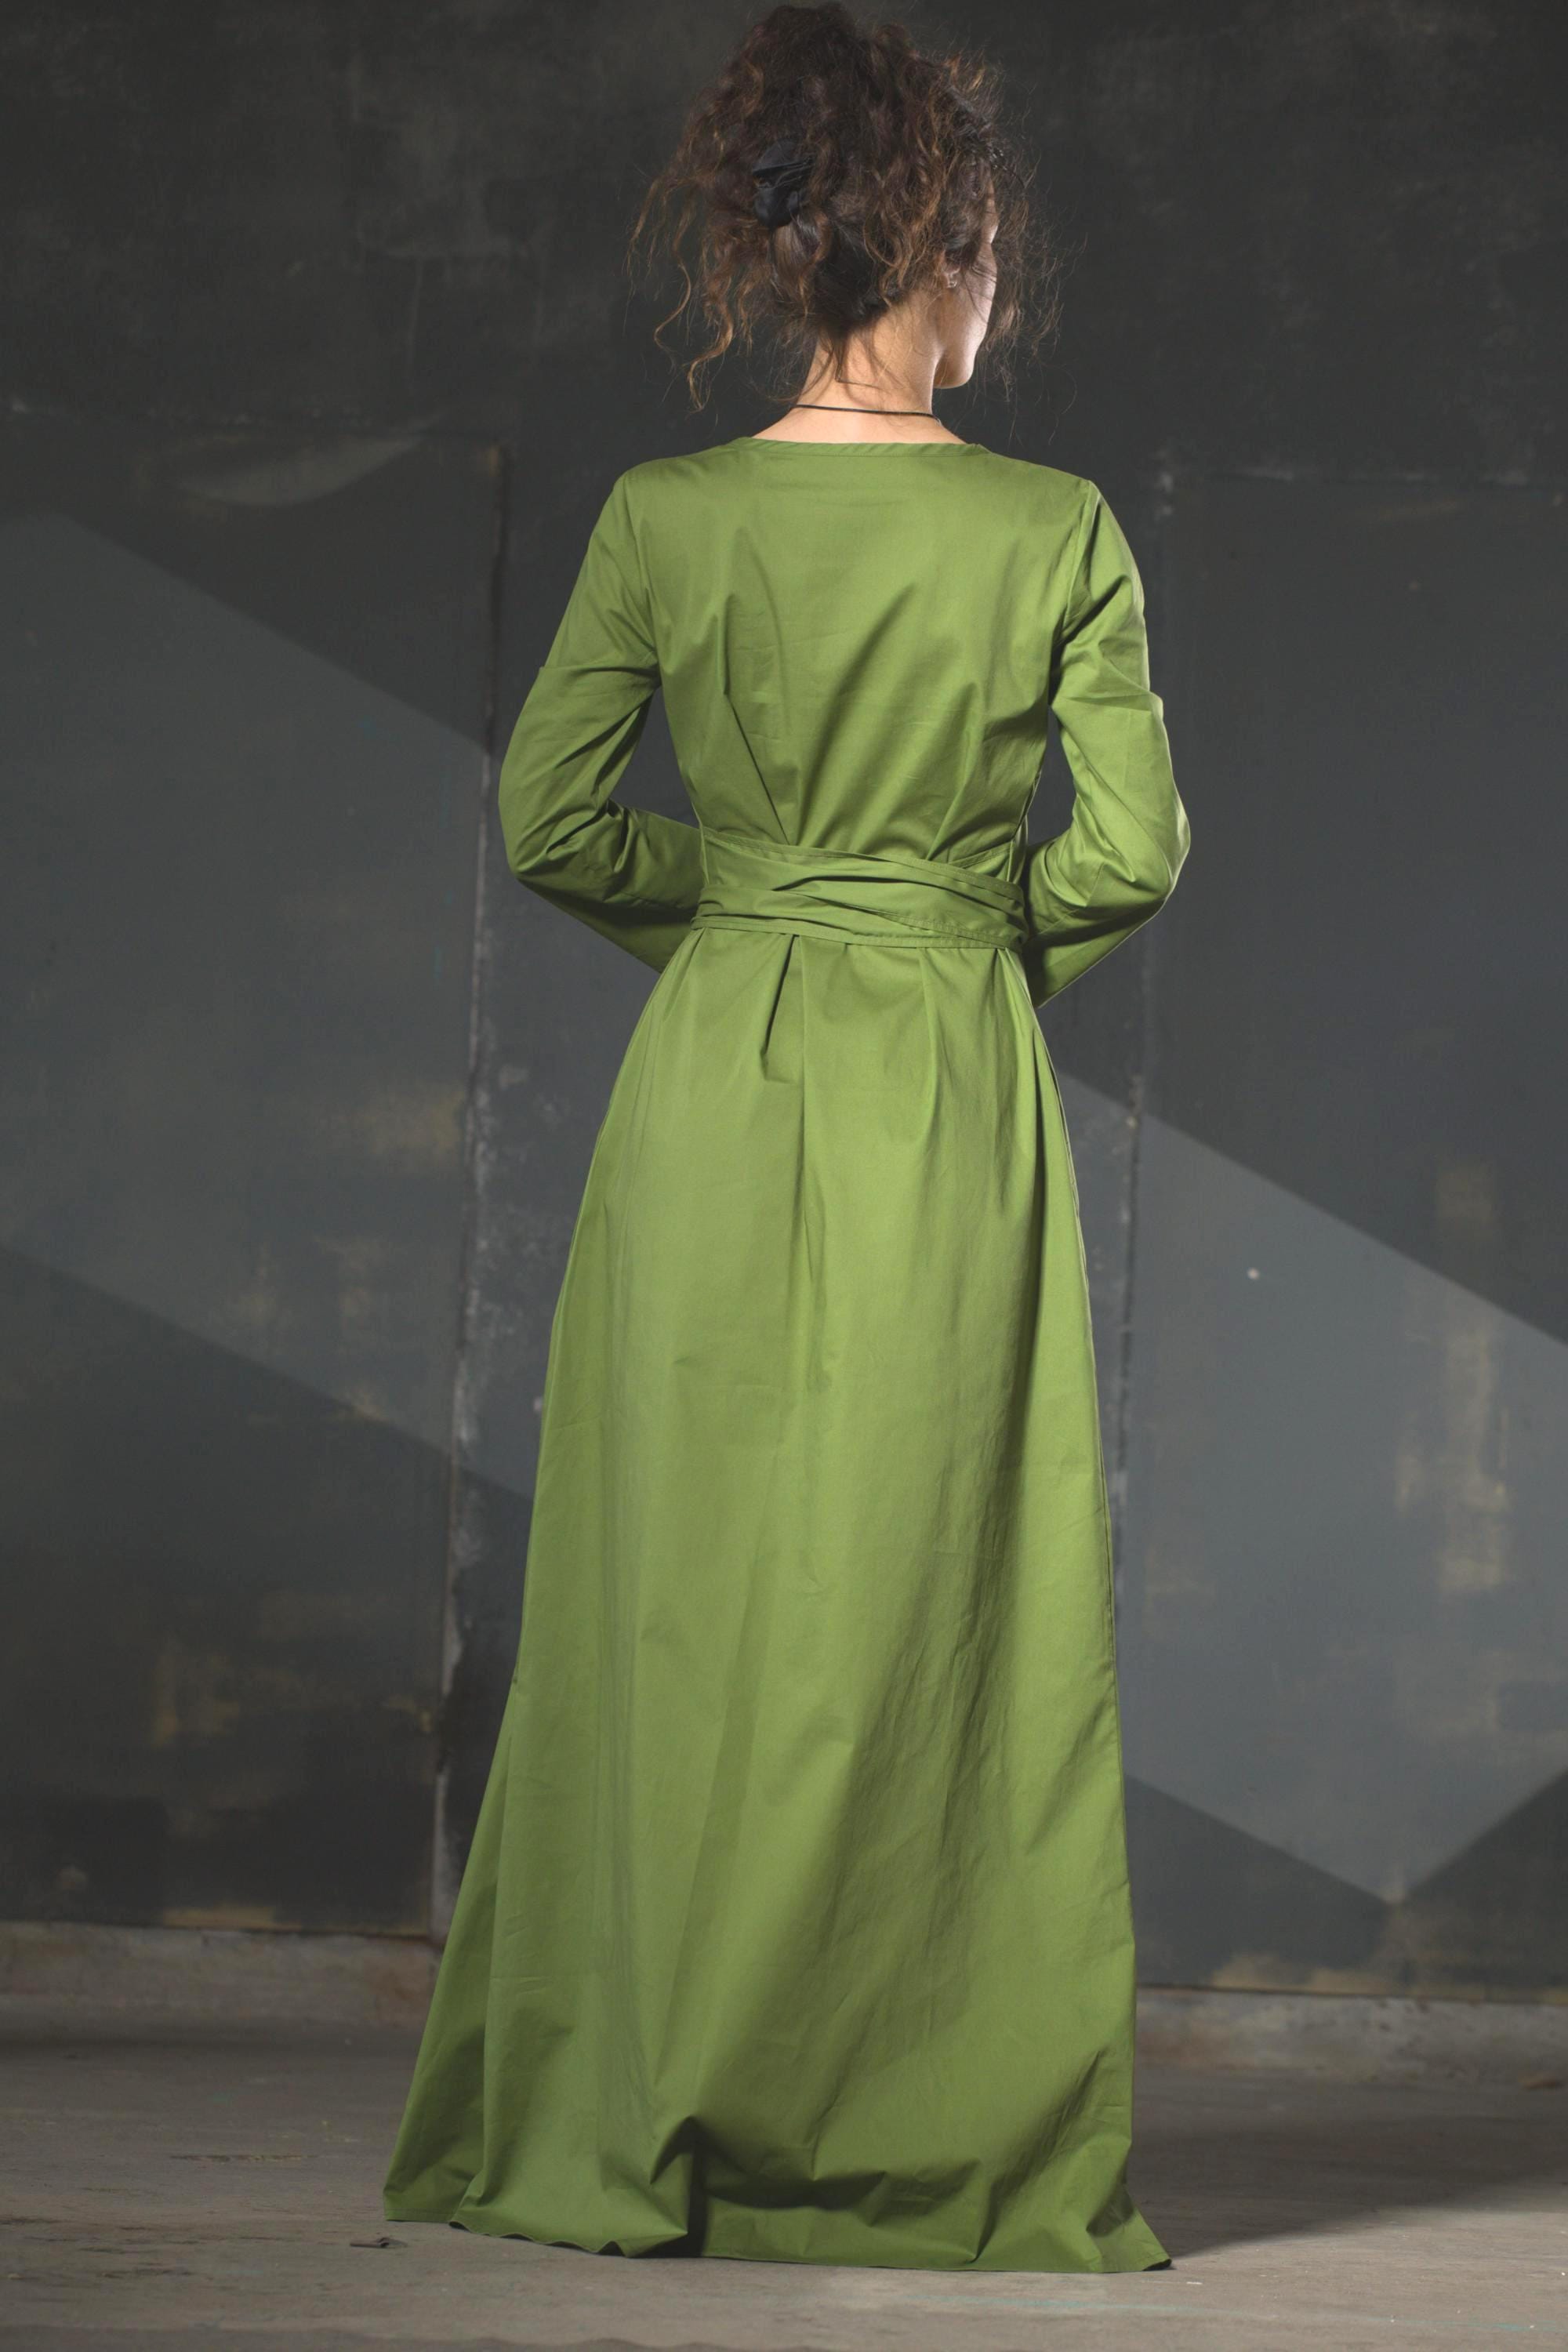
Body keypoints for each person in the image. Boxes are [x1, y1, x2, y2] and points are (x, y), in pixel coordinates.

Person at [383, 0, 1189, 2273]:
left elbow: (553, 820)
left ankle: (650, 2098)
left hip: (716, 1080)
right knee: (938, 1597)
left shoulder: (667, 518)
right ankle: (921, 2112)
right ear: (956, 253)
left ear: (784, 254)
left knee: (677, 1592)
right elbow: (1129, 855)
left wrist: (756, 912)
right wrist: (941, 937)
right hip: (945, 1081)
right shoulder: (1055, 530)